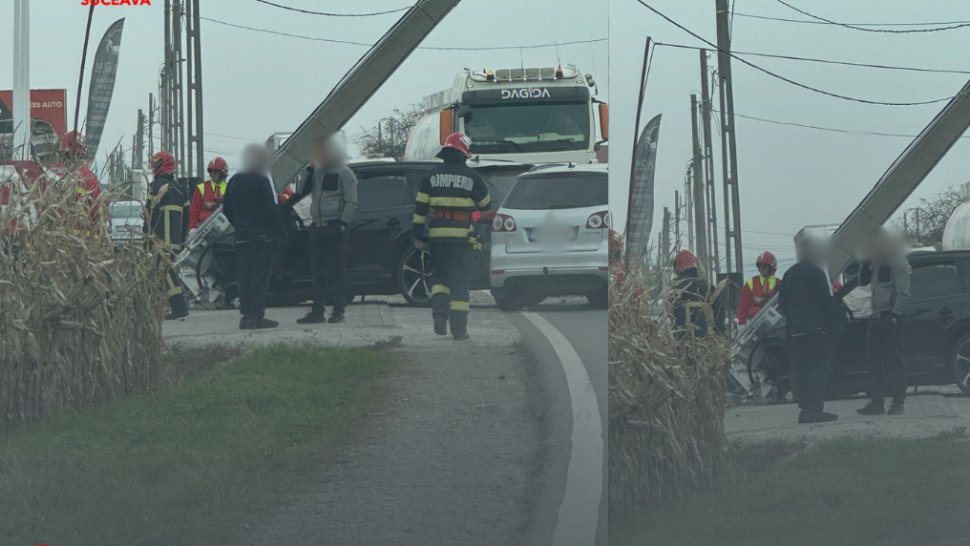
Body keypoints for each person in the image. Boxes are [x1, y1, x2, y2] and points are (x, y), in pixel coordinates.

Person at [412, 132, 490, 340]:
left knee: (439, 279)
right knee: (460, 282)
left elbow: (420, 209)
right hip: (462, 238)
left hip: (437, 236)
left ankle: (439, 315)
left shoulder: (431, 175)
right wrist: (481, 238)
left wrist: (418, 234)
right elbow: (485, 207)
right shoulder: (473, 177)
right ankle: (459, 329)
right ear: (464, 154)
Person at [777, 234, 845, 424]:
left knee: (802, 371)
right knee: (818, 371)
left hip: (797, 332)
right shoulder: (816, 273)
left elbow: (782, 304)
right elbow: (827, 303)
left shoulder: (790, 273)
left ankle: (805, 410)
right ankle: (815, 409)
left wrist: (795, 318)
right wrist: (837, 325)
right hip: (818, 331)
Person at [294, 135, 358, 325]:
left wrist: (342, 224)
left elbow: (351, 201)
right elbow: (301, 191)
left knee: (337, 271)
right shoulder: (316, 172)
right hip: (317, 227)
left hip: (334, 226)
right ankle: (317, 311)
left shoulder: (345, 173)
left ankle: (339, 311)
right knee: (318, 272)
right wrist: (309, 167)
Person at [222, 143, 285, 330]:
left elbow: (227, 209)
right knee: (260, 276)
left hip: (242, 237)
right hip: (262, 237)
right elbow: (270, 208)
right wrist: (279, 230)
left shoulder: (234, 181)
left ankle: (246, 315)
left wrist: (239, 225)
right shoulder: (260, 180)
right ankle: (256, 315)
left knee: (244, 276)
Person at [857, 229, 912, 416]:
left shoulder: (898, 262)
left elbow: (903, 292)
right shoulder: (877, 263)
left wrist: (895, 315)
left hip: (891, 317)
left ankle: (898, 403)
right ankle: (877, 403)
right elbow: (862, 282)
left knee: (894, 361)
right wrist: (865, 261)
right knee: (874, 361)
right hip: (876, 316)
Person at [147, 150, 190, 320]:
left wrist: (147, 236)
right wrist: (182, 239)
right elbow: (187, 217)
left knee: (165, 270)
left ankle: (179, 306)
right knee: (166, 270)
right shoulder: (181, 189)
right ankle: (174, 304)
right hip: (175, 239)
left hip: (160, 239)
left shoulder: (155, 187)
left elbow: (149, 213)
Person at [670, 249, 724, 339]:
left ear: (677, 266)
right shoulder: (706, 286)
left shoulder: (674, 287)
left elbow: (668, 312)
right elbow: (720, 308)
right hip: (703, 339)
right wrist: (718, 331)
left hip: (680, 338)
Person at [52, 131, 102, 225]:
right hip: (83, 234)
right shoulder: (90, 177)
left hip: (61, 233)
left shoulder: (55, 173)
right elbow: (96, 212)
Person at [737, 251, 781, 326]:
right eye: (760, 266)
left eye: (764, 266)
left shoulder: (780, 284)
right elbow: (743, 306)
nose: (761, 268)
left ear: (771, 267)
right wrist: (741, 324)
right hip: (753, 326)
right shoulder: (751, 283)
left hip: (775, 326)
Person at [188, 157, 229, 234]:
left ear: (222, 173)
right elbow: (194, 209)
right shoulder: (201, 187)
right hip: (202, 230)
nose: (212, 174)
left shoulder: (229, 188)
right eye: (210, 171)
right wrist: (193, 227)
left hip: (224, 230)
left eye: (215, 172)